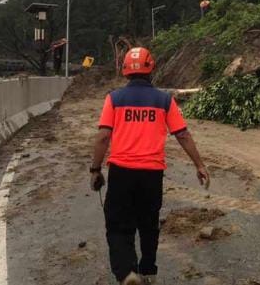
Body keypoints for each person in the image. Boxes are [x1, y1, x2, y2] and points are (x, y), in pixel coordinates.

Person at [89, 47, 210, 285]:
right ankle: (148, 271)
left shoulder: (114, 99)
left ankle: (127, 273)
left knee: (117, 226)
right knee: (148, 225)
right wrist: (200, 165)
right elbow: (182, 135)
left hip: (121, 173)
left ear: (125, 70)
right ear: (151, 68)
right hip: (152, 174)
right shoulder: (164, 100)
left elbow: (103, 137)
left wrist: (95, 169)